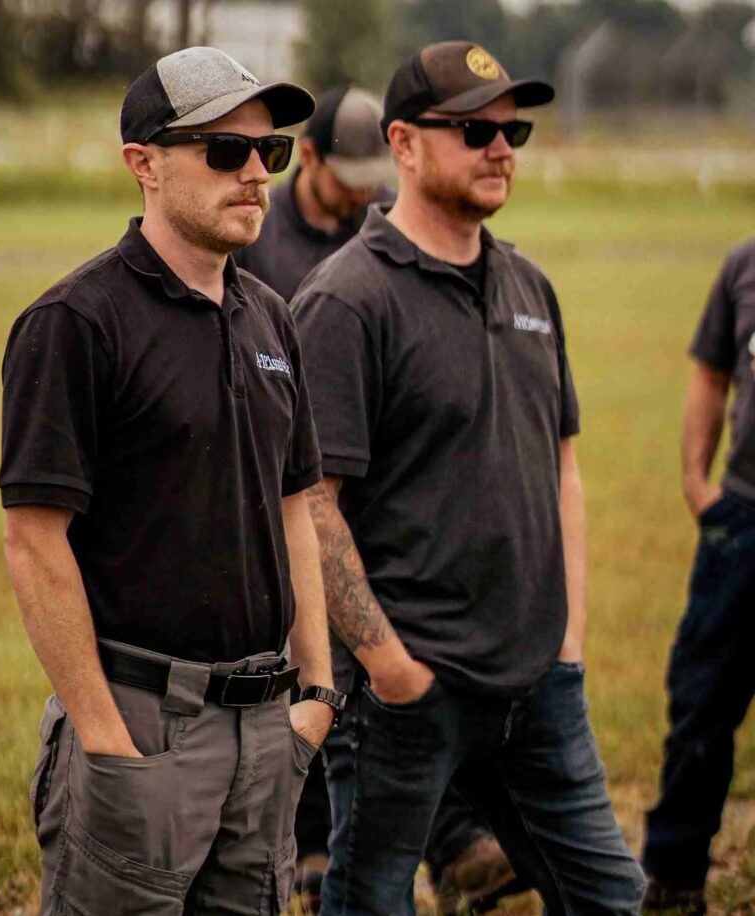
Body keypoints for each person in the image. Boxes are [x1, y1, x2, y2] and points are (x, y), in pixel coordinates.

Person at [292, 40, 647, 916]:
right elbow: (312, 507)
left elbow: (562, 467)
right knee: (373, 898)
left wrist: (568, 643)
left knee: (611, 897)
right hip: (409, 693)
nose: (503, 148)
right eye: (475, 131)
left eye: (514, 129)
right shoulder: (346, 302)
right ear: (404, 144)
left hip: (539, 688)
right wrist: (390, 666)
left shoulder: (531, 285)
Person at [0, 46, 346, 916]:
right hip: (141, 730)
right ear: (143, 164)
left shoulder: (271, 317)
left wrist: (315, 695)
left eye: (270, 152)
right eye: (223, 151)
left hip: (268, 731)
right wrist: (108, 742)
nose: (255, 176)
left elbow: (294, 505)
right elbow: (34, 542)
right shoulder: (74, 323)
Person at [236, 82, 516, 914]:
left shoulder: (382, 231)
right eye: (344, 175)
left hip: (373, 483)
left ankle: (451, 841)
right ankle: (320, 846)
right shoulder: (258, 237)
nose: (363, 194)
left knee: (391, 664)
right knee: (311, 668)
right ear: (308, 156)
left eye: (373, 177)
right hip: (279, 484)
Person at [642, 243, 755, 913]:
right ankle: (675, 876)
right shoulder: (744, 267)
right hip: (742, 523)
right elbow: (709, 373)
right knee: (701, 701)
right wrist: (695, 483)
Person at [235, 84, 395, 302]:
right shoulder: (256, 228)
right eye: (348, 182)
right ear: (308, 155)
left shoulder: (392, 218)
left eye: (371, 182)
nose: (362, 196)